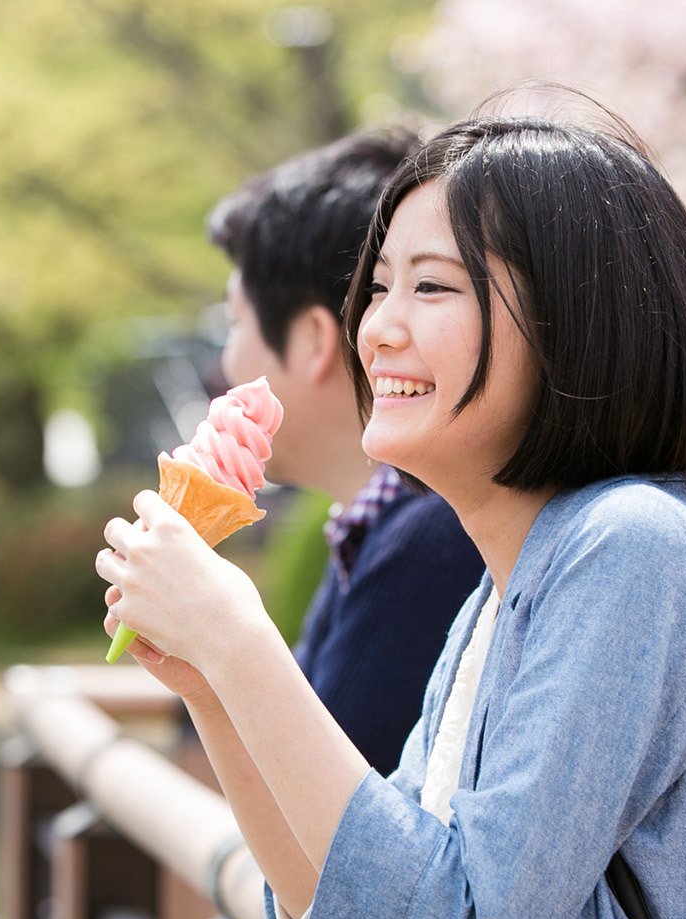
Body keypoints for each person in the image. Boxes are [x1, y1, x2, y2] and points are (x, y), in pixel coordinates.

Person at [100, 110, 686, 919]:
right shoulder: (502, 587)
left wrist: (242, 641)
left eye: (432, 287)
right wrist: (207, 682)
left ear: (575, 325)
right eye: (379, 287)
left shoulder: (634, 547)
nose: (379, 331)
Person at [206, 128, 487, 777]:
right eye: (380, 289)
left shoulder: (435, 535)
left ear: (310, 339)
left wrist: (221, 636)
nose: (225, 363)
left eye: (234, 322)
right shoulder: (382, 527)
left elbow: (332, 830)